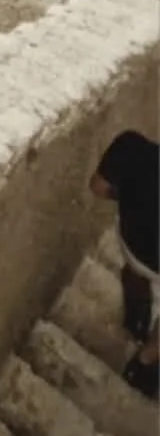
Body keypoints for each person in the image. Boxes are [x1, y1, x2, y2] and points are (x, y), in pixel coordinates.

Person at [89, 131, 159, 399]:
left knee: (134, 271)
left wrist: (132, 194)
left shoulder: (132, 146)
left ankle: (136, 314)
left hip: (131, 242)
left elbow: (98, 187)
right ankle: (145, 361)